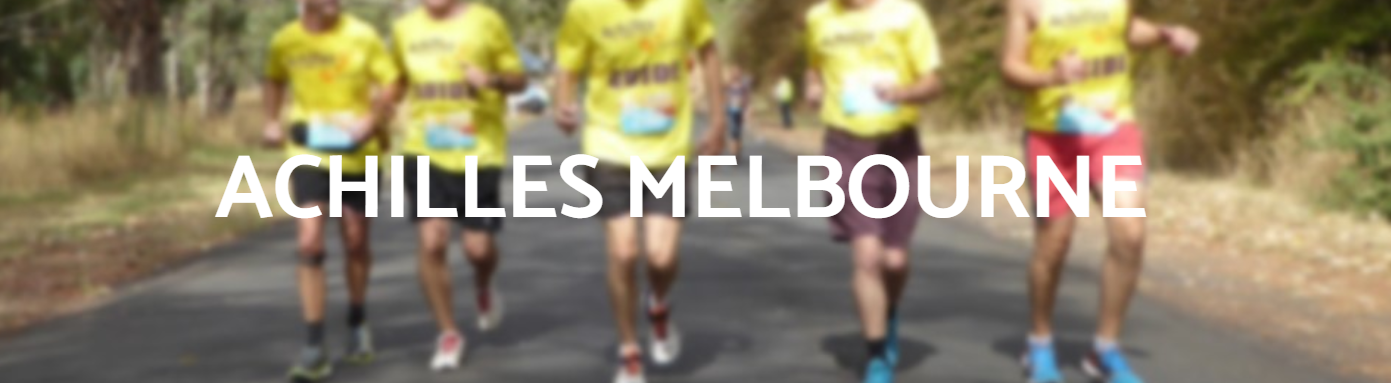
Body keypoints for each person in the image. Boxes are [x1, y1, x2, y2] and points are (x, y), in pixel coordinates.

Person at [999, 0, 1199, 382]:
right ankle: (1039, 343)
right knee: (1054, 243)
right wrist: (1050, 76)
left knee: (1131, 233)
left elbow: (1123, 27)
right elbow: (1011, 67)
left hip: (1113, 129)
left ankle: (1105, 349)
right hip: (1052, 135)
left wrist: (1164, 34)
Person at [553, 0, 727, 381]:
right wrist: (562, 105)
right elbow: (568, 65)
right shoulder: (585, 9)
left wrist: (718, 119)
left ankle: (659, 303)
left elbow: (709, 52)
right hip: (607, 146)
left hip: (668, 148)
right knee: (624, 251)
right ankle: (629, 349)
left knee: (661, 258)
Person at [802, 0, 944, 382]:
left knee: (894, 261)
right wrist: (813, 89)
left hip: (899, 147)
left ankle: (888, 310)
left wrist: (902, 92)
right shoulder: (819, 18)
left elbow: (934, 83)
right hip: (845, 146)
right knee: (868, 256)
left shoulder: (907, 14)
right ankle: (877, 355)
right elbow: (814, 70)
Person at [385, 0, 527, 372]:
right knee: (431, 239)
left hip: (480, 151)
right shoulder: (405, 28)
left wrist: (492, 80)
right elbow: (396, 80)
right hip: (423, 149)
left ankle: (483, 283)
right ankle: (448, 332)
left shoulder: (487, 21)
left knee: (477, 249)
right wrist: (382, 101)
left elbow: (519, 79)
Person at [262, 0, 399, 381]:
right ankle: (313, 345)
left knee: (356, 240)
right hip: (309, 154)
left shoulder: (362, 35)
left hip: (359, 154)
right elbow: (273, 78)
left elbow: (392, 84)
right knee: (309, 241)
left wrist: (373, 119)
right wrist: (271, 120)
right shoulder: (285, 40)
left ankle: (357, 320)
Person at [725, 67, 754, 157]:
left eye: (737, 73)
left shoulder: (743, 86)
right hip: (731, 110)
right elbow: (726, 97)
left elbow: (747, 98)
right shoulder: (729, 85)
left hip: (740, 110)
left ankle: (737, 149)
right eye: (734, 73)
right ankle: (733, 152)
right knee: (733, 131)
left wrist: (747, 109)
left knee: (738, 131)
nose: (735, 75)